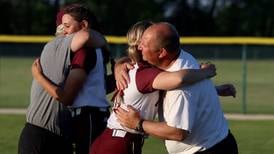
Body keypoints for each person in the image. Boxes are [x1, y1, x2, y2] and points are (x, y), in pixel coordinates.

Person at [90, 21, 217, 154]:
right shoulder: (147, 74)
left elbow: (183, 91)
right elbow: (179, 79)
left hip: (110, 139)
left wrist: (215, 90)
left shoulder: (136, 68)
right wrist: (205, 72)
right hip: (120, 143)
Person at [115, 22, 238, 154]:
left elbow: (178, 132)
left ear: (161, 52)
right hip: (216, 144)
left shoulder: (180, 87)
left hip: (207, 149)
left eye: (144, 45)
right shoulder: (176, 58)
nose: (139, 47)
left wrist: (138, 123)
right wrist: (119, 65)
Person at [18, 9, 107, 154]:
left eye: (67, 26)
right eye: (63, 26)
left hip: (54, 134)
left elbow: (85, 89)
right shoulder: (62, 44)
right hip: (44, 133)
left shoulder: (77, 51)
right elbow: (86, 36)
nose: (65, 31)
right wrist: (103, 42)